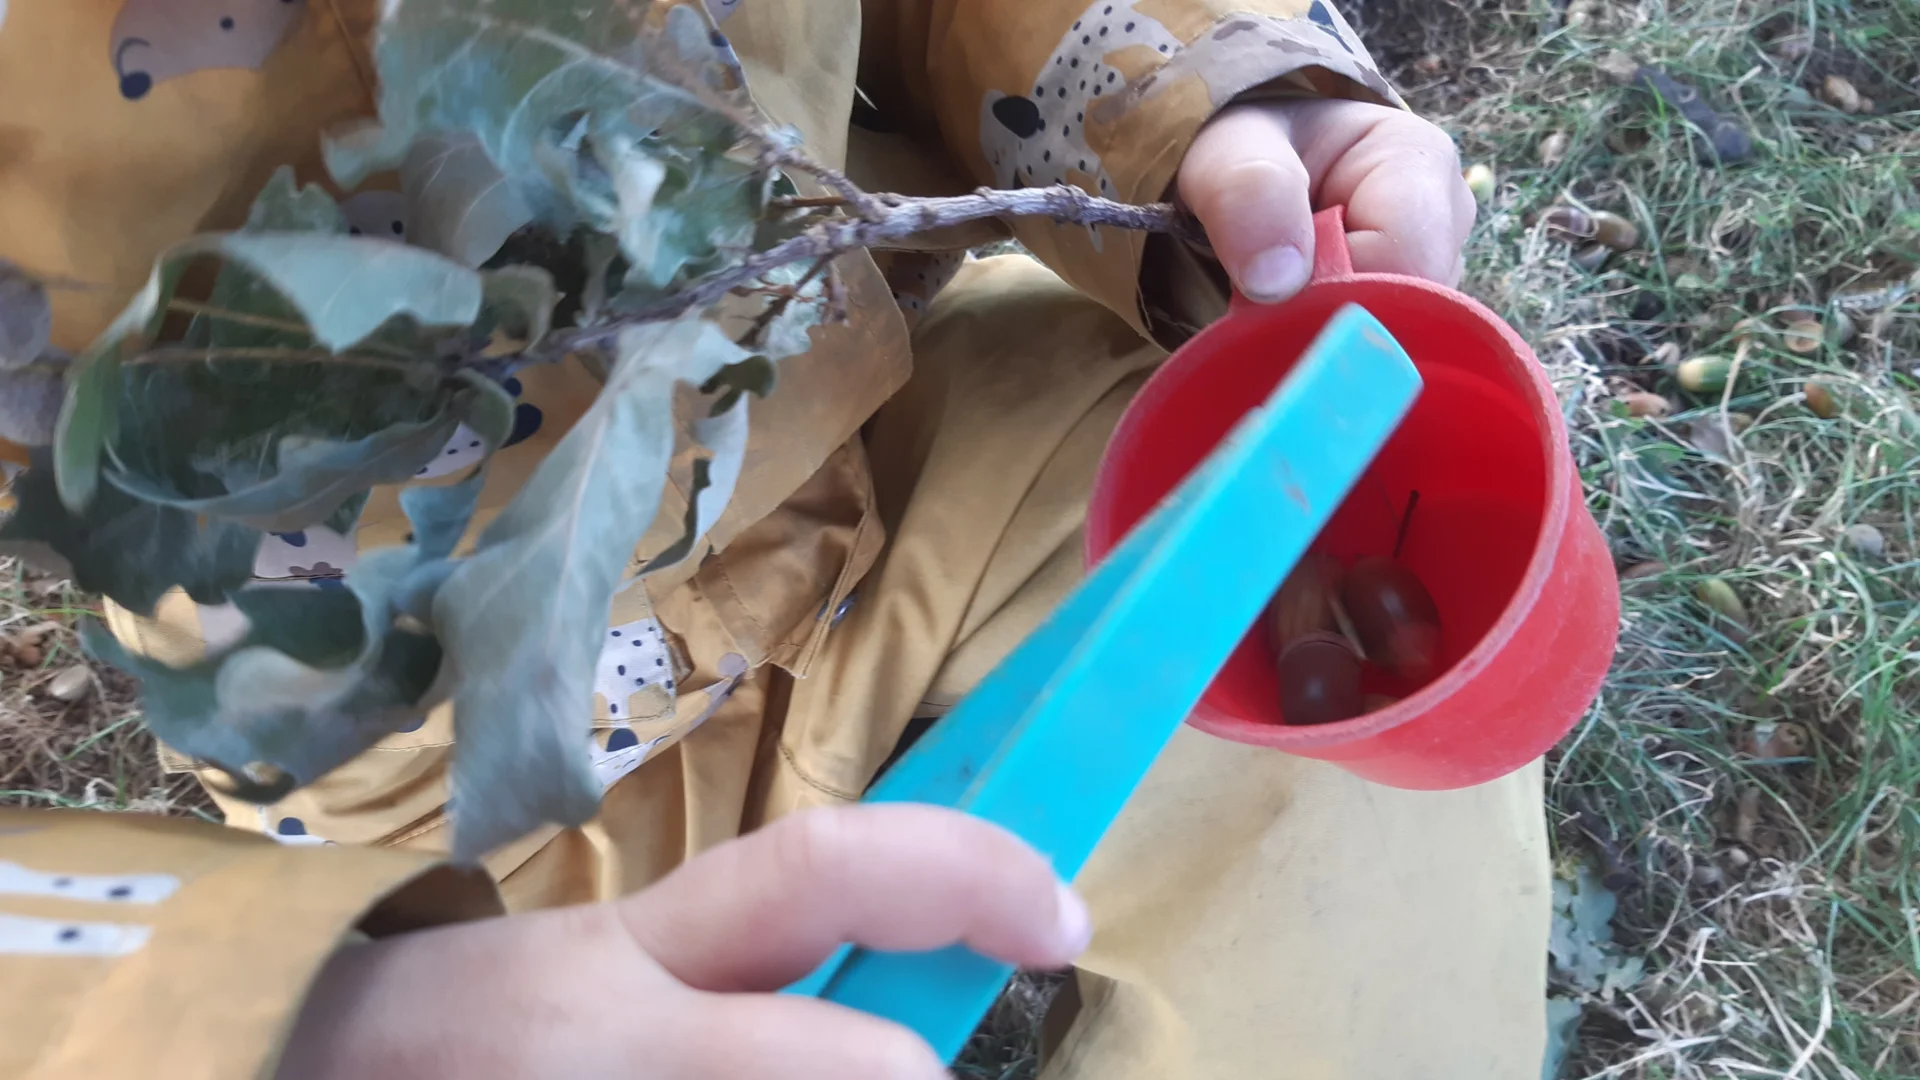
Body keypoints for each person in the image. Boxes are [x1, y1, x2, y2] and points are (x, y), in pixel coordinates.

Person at [0, 1, 1547, 1077]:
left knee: (1304, 671)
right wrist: (287, 1018)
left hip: (900, 416)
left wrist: (1193, 90)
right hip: (464, 776)